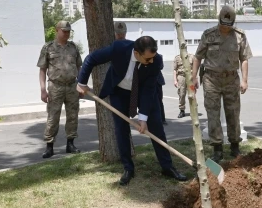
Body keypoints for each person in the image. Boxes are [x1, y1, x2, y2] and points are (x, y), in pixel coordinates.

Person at [76, 36, 187, 186]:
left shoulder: (156, 61)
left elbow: (148, 90)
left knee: (156, 127)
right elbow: (91, 59)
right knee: (121, 129)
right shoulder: (119, 49)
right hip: (119, 91)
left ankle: (167, 167)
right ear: (136, 53)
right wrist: (81, 82)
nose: (151, 61)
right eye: (147, 59)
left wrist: (143, 118)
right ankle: (128, 168)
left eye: (153, 58)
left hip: (143, 92)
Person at [191, 5, 253, 162]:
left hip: (232, 79)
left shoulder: (240, 36)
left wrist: (245, 80)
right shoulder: (209, 34)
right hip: (211, 79)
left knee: (233, 113)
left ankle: (234, 146)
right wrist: (193, 77)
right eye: (223, 24)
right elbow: (198, 57)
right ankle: (217, 149)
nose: (225, 28)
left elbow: (244, 58)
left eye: (228, 25)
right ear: (219, 20)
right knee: (213, 113)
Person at [37, 21, 82, 159]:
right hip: (55, 86)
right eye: (64, 31)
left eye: (68, 31)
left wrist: (80, 84)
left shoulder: (73, 47)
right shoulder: (48, 47)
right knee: (53, 116)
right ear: (57, 30)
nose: (67, 33)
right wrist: (43, 90)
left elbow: (79, 67)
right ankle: (49, 146)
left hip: (72, 86)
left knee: (73, 116)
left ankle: (70, 144)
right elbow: (42, 70)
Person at [173, 53, 194, 118]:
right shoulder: (177, 57)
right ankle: (182, 110)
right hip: (181, 77)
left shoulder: (191, 56)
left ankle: (193, 110)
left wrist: (195, 79)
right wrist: (175, 80)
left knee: (192, 94)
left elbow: (195, 68)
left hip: (190, 77)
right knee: (181, 94)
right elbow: (175, 70)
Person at [157, 57, 168, 125]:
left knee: (159, 101)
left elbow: (160, 67)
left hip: (158, 82)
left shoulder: (159, 57)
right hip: (147, 82)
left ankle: (162, 119)